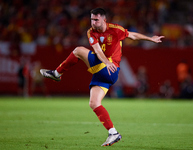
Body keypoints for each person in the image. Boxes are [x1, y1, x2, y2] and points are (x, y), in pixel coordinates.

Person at [40, 8, 164, 146]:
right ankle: (113, 133)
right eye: (92, 19)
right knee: (94, 103)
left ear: (104, 20)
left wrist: (150, 39)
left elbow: (132, 36)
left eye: (96, 20)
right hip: (103, 71)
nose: (93, 22)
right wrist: (106, 62)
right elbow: (97, 50)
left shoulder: (115, 29)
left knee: (78, 51)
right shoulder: (91, 32)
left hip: (110, 69)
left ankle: (57, 74)